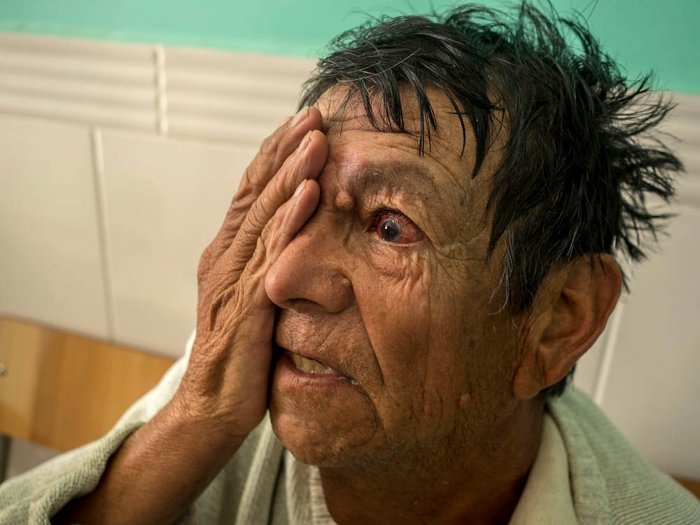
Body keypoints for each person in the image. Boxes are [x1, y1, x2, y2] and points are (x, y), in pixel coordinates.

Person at [2, 3, 698, 524]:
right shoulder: (235, 388)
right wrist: (198, 414)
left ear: (557, 319)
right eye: (300, 208)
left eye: (391, 226)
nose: (283, 277)